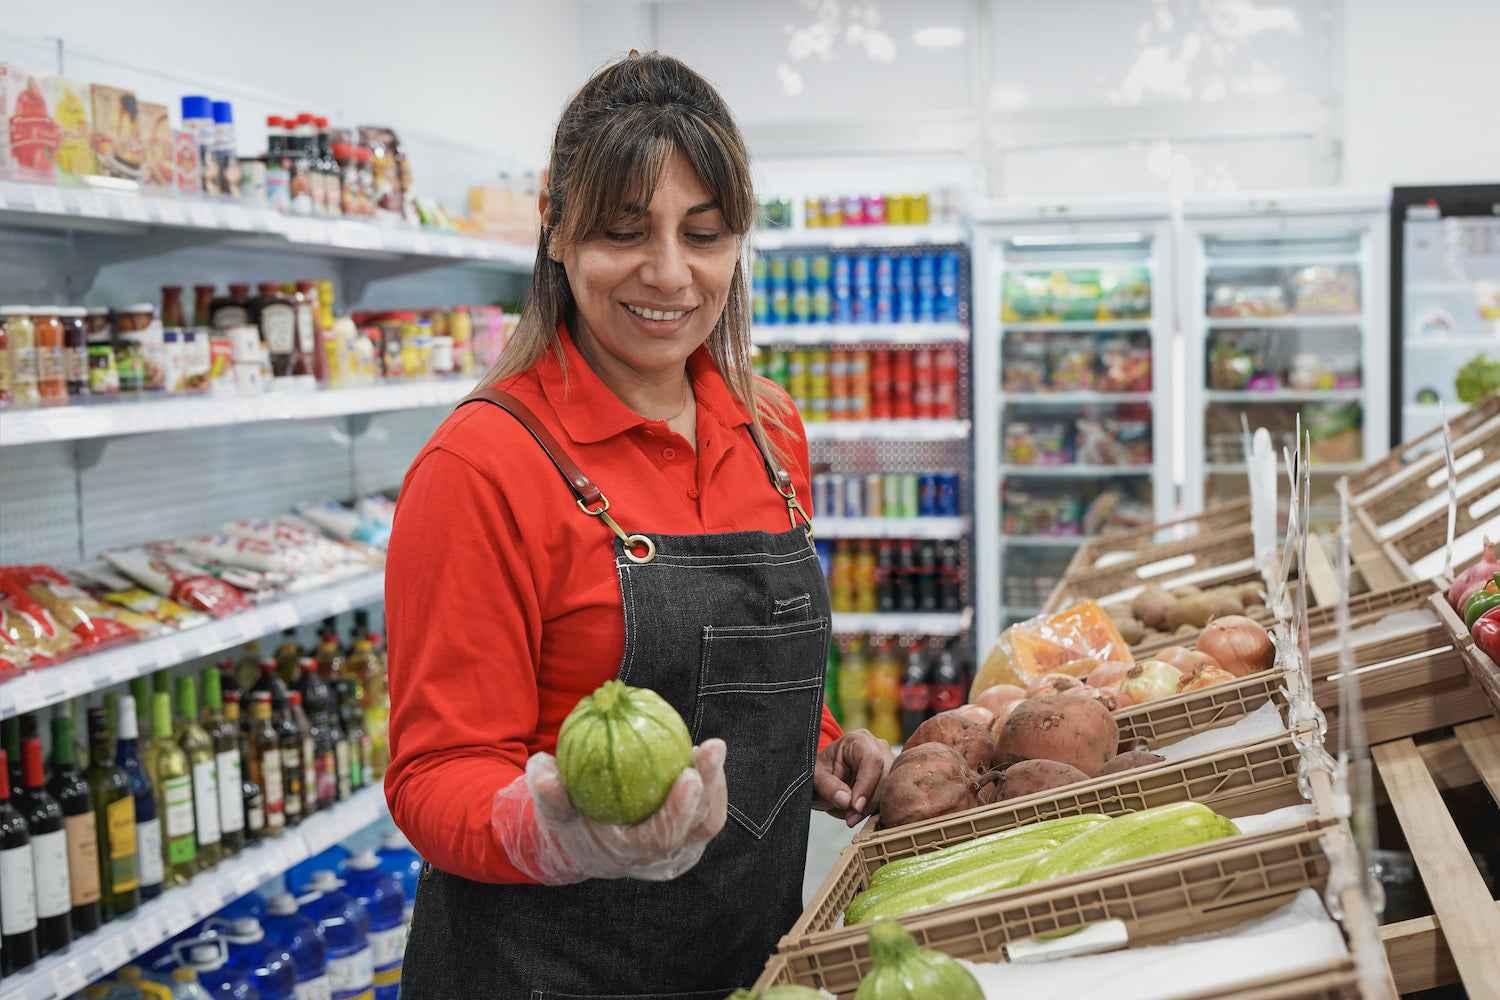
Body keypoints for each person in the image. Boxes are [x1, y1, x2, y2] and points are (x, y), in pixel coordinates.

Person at [384, 51, 892, 998]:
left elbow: (736, 673)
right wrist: (554, 835)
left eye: (704, 234)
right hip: (538, 974)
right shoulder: (480, 466)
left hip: (750, 962)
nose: (668, 274)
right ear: (556, 228)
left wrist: (817, 743)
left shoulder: (769, 428)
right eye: (624, 232)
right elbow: (434, 772)